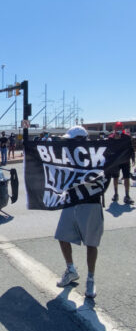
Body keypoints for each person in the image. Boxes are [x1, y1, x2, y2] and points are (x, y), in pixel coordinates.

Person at [55, 125, 102, 299]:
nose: (69, 144)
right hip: (71, 202)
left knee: (91, 242)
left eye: (72, 140)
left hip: (90, 204)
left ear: (81, 141)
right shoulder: (67, 157)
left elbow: (104, 179)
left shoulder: (96, 157)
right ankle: (71, 270)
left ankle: (90, 279)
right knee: (62, 235)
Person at [108, 121, 135, 204]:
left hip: (125, 161)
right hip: (115, 162)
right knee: (115, 178)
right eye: (117, 128)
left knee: (127, 178)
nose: (119, 129)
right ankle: (116, 194)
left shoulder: (127, 137)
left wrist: (133, 158)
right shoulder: (110, 138)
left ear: (122, 128)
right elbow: (108, 149)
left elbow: (131, 148)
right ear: (114, 129)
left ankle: (127, 196)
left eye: (120, 128)